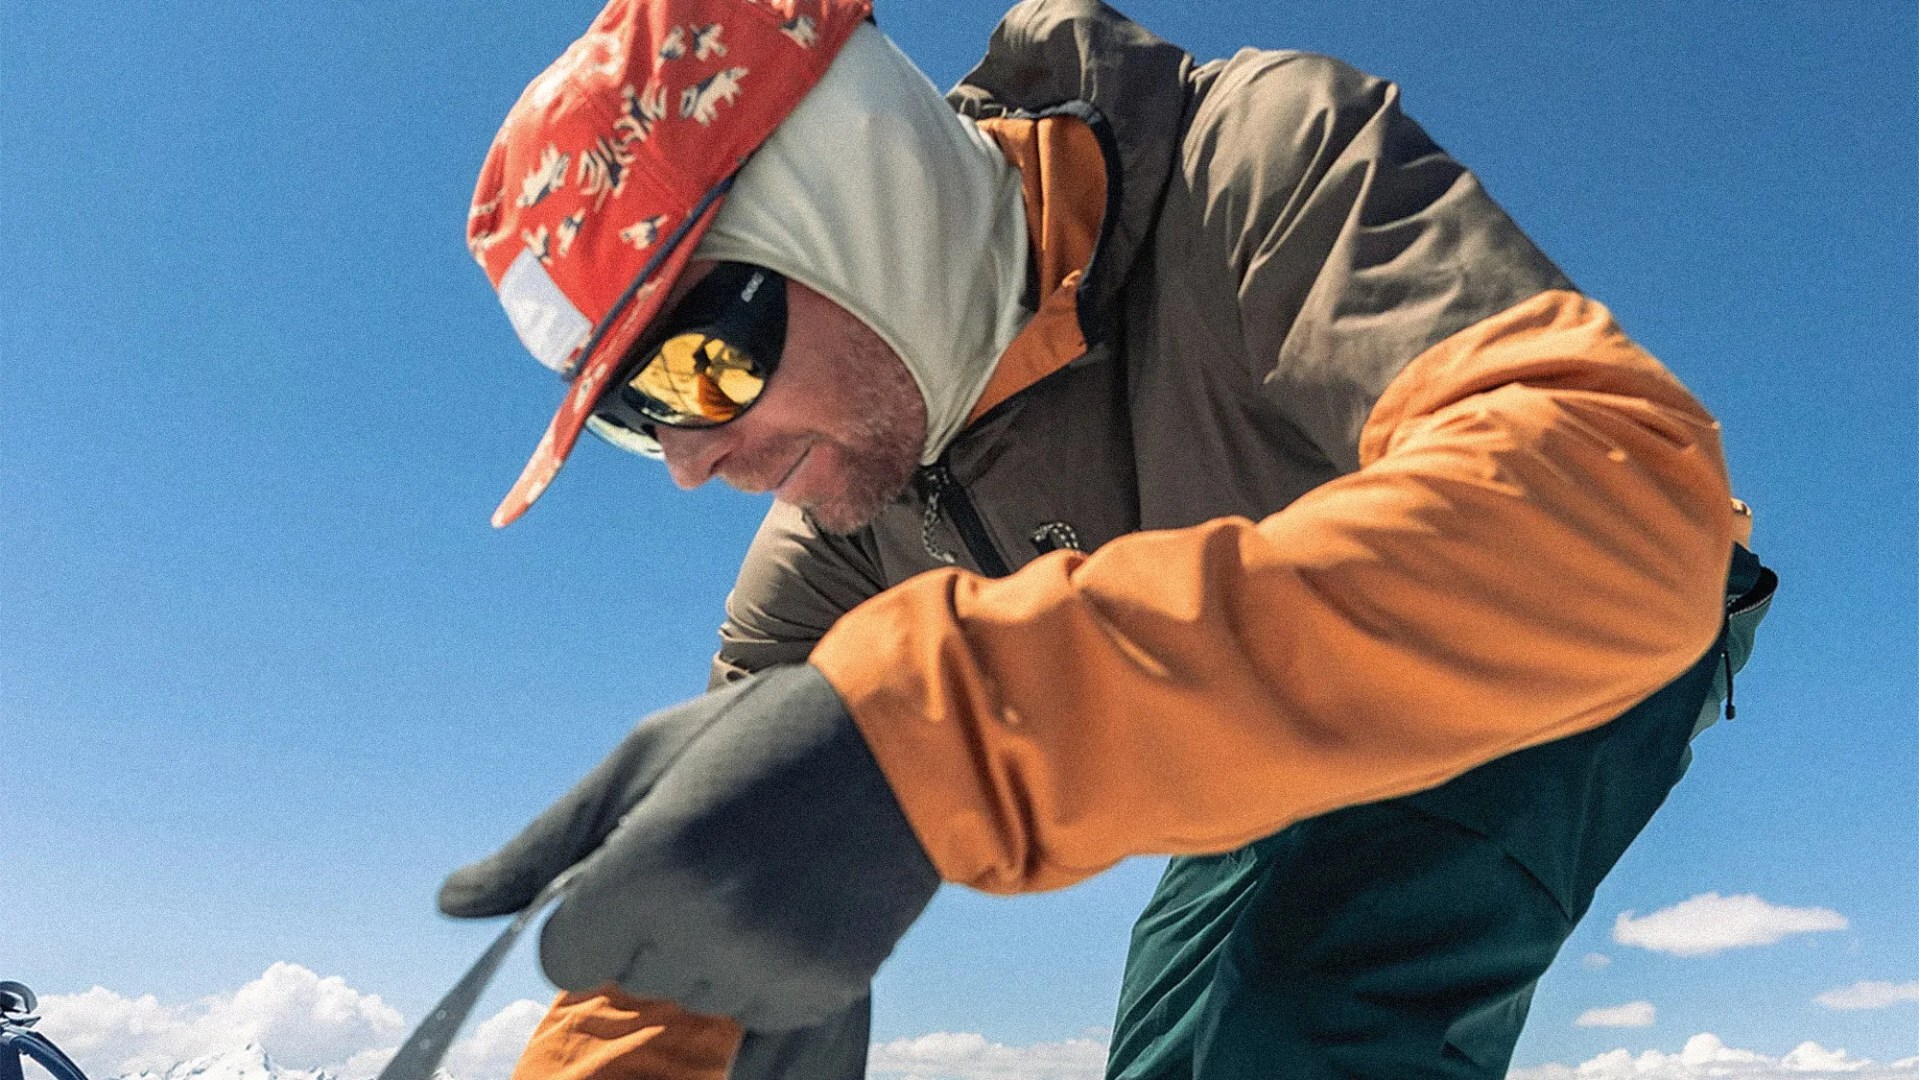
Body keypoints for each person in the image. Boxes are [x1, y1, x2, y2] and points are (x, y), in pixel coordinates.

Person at [445, 0, 1776, 1077]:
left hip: (1567, 634)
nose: (691, 461)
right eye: (633, 425)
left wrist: (951, 727)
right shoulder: (836, 539)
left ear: (857, 200)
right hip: (1267, 730)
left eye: (693, 367)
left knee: (1283, 1026)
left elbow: (1623, 515)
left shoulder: (1254, 161)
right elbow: (706, 890)